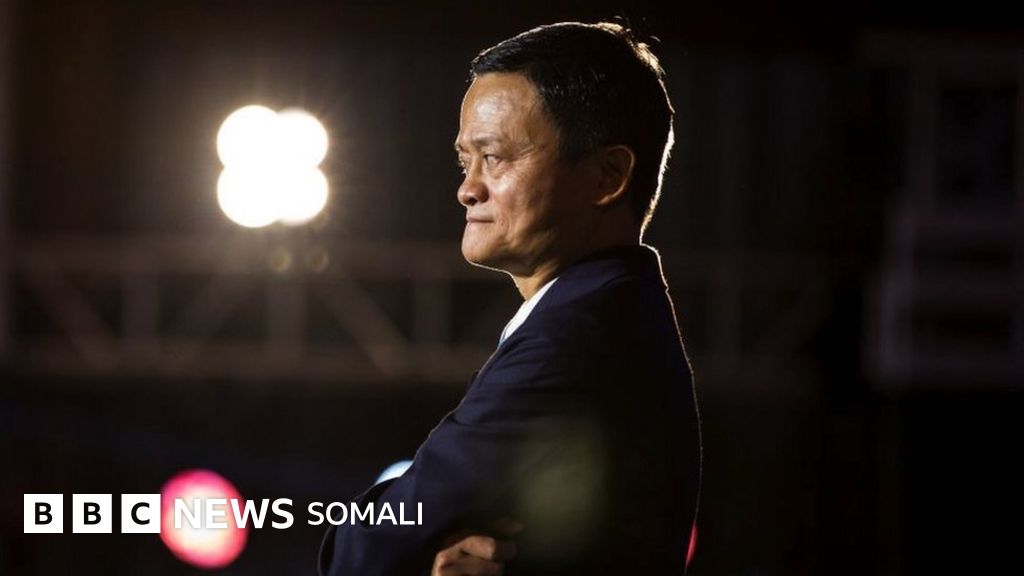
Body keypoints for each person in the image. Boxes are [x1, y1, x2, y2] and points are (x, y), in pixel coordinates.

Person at [319, 21, 701, 576]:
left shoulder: (573, 338)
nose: (467, 189)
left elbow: (365, 551)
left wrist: (397, 543)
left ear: (608, 176)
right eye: (465, 161)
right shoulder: (604, 314)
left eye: (494, 157)